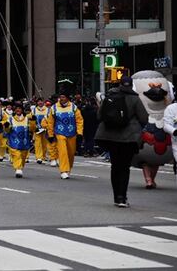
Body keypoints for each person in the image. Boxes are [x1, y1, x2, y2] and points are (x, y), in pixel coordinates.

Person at [94, 75, 149, 207]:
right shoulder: (135, 99)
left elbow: (99, 115)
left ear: (119, 84)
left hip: (110, 136)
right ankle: (122, 197)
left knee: (115, 166)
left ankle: (115, 197)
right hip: (128, 138)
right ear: (131, 85)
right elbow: (144, 118)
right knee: (124, 167)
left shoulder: (110, 96)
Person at [43, 91, 83, 179]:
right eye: (60, 97)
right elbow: (50, 122)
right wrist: (50, 134)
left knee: (71, 153)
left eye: (63, 97)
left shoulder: (73, 107)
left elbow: (79, 120)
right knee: (62, 151)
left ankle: (68, 168)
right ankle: (63, 170)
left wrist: (80, 133)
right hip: (60, 133)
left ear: (67, 98)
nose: (62, 99)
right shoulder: (54, 108)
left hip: (72, 133)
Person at [6, 104, 32, 178]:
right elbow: (7, 130)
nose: (18, 110)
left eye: (19, 108)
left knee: (23, 156)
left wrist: (33, 122)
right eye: (16, 108)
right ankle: (18, 168)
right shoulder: (11, 119)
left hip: (24, 141)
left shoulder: (26, 119)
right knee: (16, 154)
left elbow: (32, 129)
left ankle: (20, 167)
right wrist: (6, 126)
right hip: (14, 141)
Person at [30, 97, 51, 164]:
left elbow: (50, 119)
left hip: (45, 129)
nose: (40, 102)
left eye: (41, 101)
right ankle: (38, 157)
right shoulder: (34, 110)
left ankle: (44, 156)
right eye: (38, 101)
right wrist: (34, 127)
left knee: (45, 144)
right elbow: (31, 120)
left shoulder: (48, 110)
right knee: (37, 143)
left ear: (43, 102)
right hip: (37, 129)